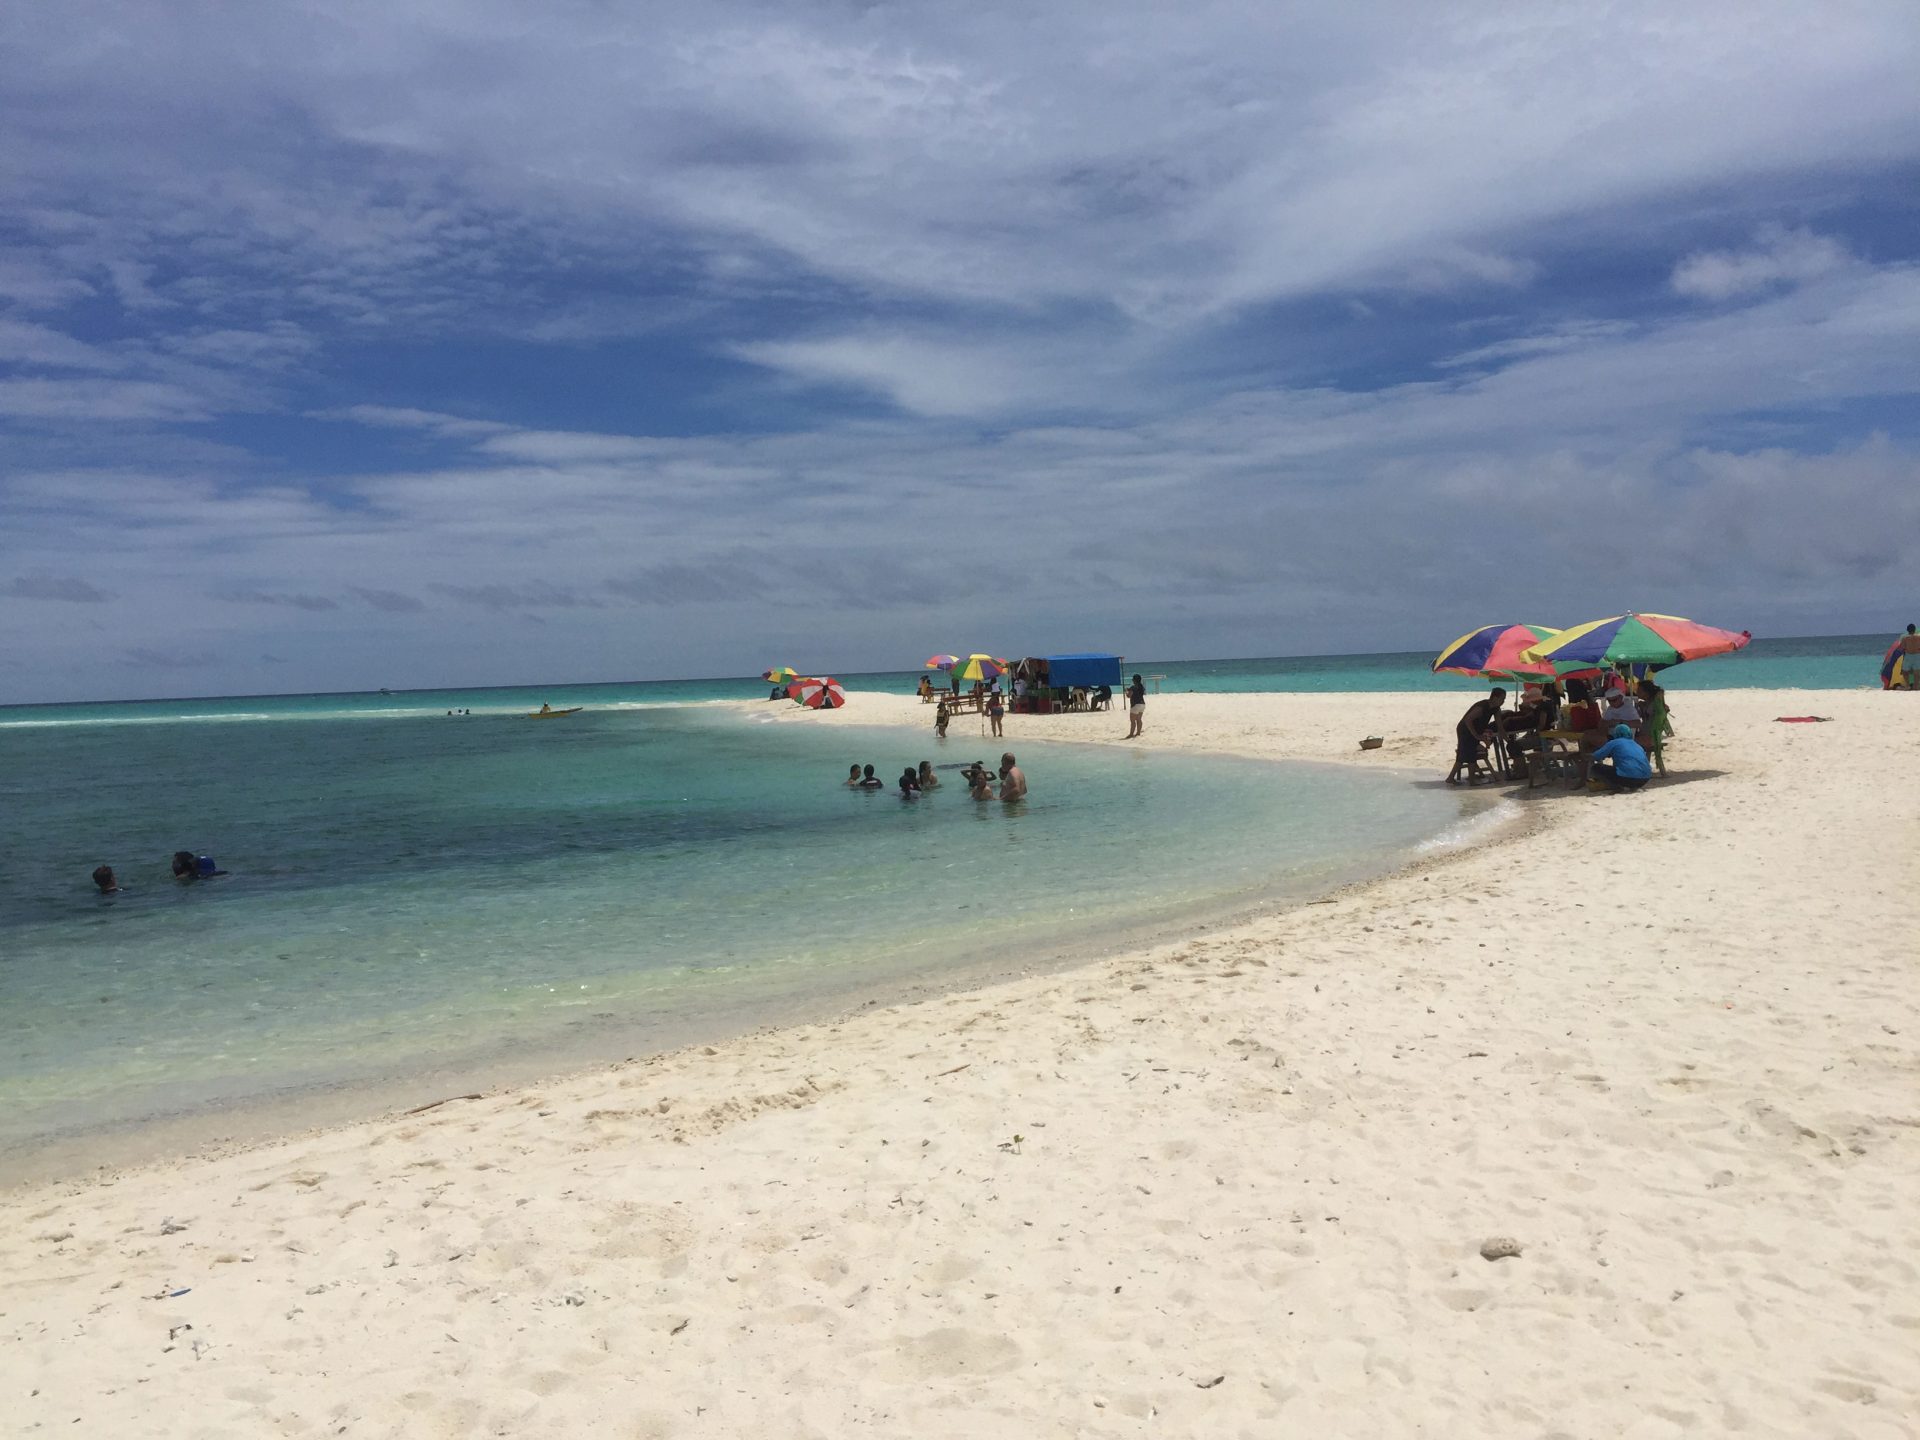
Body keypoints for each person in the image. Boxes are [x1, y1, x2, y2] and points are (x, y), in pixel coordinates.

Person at [1446, 688, 1505, 786]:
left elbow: (1500, 725)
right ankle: (1471, 781)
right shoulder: (1482, 707)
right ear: (1495, 697)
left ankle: (1451, 778)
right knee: (1470, 753)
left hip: (1476, 729)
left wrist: (1506, 737)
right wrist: (1476, 736)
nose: (1503, 701)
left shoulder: (1496, 709)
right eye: (1502, 699)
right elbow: (1468, 720)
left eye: (1504, 699)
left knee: (1464, 753)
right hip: (1465, 729)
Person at [1590, 723, 1652, 792]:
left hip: (1627, 778)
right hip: (1645, 778)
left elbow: (1596, 756)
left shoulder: (1614, 742)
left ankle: (1615, 786)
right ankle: (1633, 787)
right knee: (1623, 767)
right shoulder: (1637, 745)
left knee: (1596, 767)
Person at [1125, 674, 1146, 739]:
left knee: (1133, 721)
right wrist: (1129, 689)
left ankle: (1131, 734)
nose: (1132, 680)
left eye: (1133, 679)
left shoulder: (1133, 687)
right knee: (1139, 719)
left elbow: (1129, 696)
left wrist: (1126, 691)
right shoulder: (1141, 687)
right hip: (1142, 704)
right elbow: (1137, 692)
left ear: (1134, 680)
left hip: (1135, 705)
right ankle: (1138, 733)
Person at [1903, 624, 1920, 690]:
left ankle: (1907, 685)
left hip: (1908, 655)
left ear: (1907, 630)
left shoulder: (1905, 638)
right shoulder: (1919, 637)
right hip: (1917, 655)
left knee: (1905, 672)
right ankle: (1916, 686)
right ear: (1915, 630)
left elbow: (1903, 648)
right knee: (1917, 672)